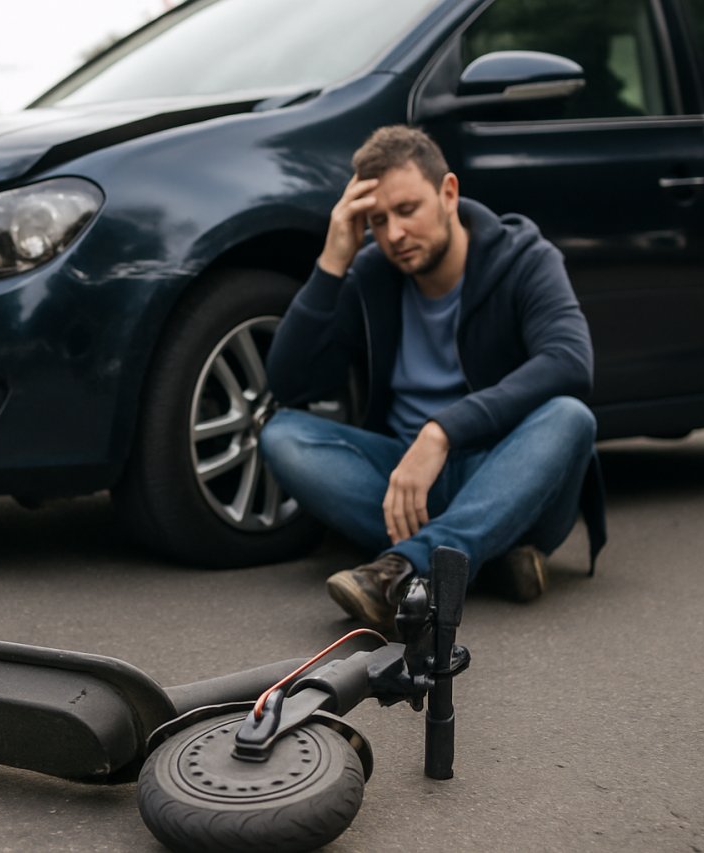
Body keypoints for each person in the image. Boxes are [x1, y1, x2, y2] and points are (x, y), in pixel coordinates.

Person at [259, 125, 605, 631]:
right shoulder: (372, 274)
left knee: (570, 417)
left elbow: (572, 362)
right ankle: (479, 552)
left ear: (448, 193)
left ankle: (404, 568)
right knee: (282, 435)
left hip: (510, 475)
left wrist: (443, 430)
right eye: (377, 220)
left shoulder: (524, 258)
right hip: (407, 485)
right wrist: (333, 261)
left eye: (406, 210)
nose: (394, 233)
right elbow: (290, 383)